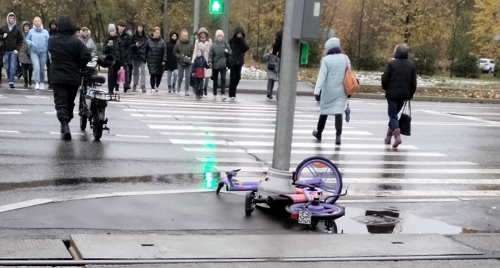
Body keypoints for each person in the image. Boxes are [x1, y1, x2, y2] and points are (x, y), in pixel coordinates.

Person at [48, 15, 92, 140]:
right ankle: (67, 119)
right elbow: (86, 55)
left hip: (57, 76)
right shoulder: (76, 42)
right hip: (73, 76)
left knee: (60, 102)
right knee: (70, 101)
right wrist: (79, 64)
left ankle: (64, 123)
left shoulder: (52, 40)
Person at [312, 38, 349, 146]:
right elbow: (349, 73)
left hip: (328, 90)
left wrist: (317, 91)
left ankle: (319, 133)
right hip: (341, 90)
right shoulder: (345, 58)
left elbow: (322, 76)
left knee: (324, 111)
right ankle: (338, 136)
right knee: (338, 112)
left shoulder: (326, 60)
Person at [381, 44, 417, 149]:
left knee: (393, 116)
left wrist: (385, 87)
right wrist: (410, 94)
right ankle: (388, 137)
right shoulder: (411, 65)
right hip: (404, 95)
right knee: (394, 115)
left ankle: (397, 137)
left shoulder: (391, 64)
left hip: (392, 94)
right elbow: (413, 82)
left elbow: (385, 79)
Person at [0, 12, 23, 89]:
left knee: (13, 66)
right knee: (7, 67)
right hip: (6, 50)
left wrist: (17, 49)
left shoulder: (17, 29)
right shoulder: (4, 28)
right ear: (8, 19)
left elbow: (20, 40)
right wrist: (3, 36)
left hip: (13, 50)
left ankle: (11, 82)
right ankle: (10, 79)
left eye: (13, 18)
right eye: (10, 18)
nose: (11, 20)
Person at [26, 17, 49, 90]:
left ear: (41, 22)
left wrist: (50, 53)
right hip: (34, 52)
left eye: (38, 21)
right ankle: (37, 82)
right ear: (33, 23)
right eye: (35, 21)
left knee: (42, 68)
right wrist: (31, 43)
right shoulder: (31, 31)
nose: (37, 22)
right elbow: (27, 39)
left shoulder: (45, 32)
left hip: (43, 52)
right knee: (36, 67)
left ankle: (42, 82)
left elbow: (49, 42)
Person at [209, 30, 231, 101]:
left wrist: (227, 51)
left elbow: (230, 52)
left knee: (223, 80)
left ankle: (223, 94)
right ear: (216, 37)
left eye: (221, 36)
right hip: (215, 65)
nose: (220, 37)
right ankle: (214, 94)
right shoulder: (213, 45)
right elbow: (211, 55)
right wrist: (210, 62)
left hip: (223, 65)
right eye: (219, 36)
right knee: (215, 80)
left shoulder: (225, 44)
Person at [228, 26, 249, 100]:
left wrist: (241, 40)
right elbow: (228, 48)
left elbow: (246, 48)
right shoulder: (231, 41)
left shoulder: (242, 41)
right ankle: (231, 94)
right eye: (238, 33)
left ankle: (233, 90)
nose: (239, 35)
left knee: (238, 77)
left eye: (241, 34)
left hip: (239, 61)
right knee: (232, 78)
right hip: (232, 61)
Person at [102, 23, 123, 95]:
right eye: (111, 31)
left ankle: (114, 87)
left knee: (116, 75)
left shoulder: (118, 39)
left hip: (117, 60)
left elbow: (121, 50)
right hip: (110, 60)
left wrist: (122, 60)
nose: (112, 32)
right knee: (111, 74)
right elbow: (104, 50)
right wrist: (107, 46)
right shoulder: (107, 40)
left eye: (113, 31)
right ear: (109, 32)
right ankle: (110, 90)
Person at [144, 27, 167, 92]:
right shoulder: (148, 41)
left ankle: (157, 85)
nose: (157, 34)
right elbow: (145, 50)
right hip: (151, 60)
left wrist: (164, 60)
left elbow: (164, 51)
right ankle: (152, 87)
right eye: (156, 33)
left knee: (159, 74)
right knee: (152, 74)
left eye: (158, 33)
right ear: (153, 33)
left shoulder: (162, 42)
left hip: (159, 61)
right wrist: (145, 58)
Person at [192, 27, 211, 97]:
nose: (203, 35)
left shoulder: (209, 41)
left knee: (207, 77)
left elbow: (211, 51)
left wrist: (210, 60)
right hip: (199, 61)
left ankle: (205, 87)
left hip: (206, 60)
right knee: (200, 77)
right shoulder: (197, 41)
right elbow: (195, 50)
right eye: (201, 34)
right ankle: (200, 90)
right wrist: (194, 59)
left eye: (204, 34)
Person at [174, 29, 194, 96]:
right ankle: (179, 86)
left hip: (188, 62)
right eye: (184, 35)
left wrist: (190, 57)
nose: (185, 37)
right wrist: (179, 56)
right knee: (180, 76)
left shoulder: (191, 43)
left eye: (186, 35)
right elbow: (175, 51)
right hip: (181, 62)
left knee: (188, 76)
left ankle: (187, 89)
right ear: (181, 36)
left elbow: (193, 51)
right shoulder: (178, 43)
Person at [130, 24, 147, 92]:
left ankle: (143, 85)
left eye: (141, 27)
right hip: (135, 56)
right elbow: (130, 46)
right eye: (139, 27)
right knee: (135, 71)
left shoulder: (145, 37)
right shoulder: (133, 36)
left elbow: (146, 46)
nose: (140, 28)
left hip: (142, 56)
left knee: (143, 70)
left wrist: (144, 53)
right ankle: (135, 83)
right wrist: (135, 45)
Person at [116, 21, 131, 92]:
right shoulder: (115, 35)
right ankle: (116, 86)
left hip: (124, 56)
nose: (122, 28)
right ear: (118, 26)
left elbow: (128, 47)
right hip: (117, 55)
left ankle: (126, 86)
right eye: (120, 26)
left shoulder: (127, 36)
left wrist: (126, 54)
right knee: (116, 71)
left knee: (126, 71)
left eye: (123, 27)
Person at [18, 21, 33, 88]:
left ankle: (30, 79)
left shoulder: (32, 34)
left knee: (30, 68)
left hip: (30, 53)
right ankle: (25, 81)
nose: (26, 28)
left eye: (27, 26)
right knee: (24, 68)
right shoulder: (21, 35)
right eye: (25, 26)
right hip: (22, 52)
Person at [46, 19, 58, 89]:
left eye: (54, 25)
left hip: (56, 52)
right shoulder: (47, 32)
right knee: (49, 68)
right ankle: (50, 82)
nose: (53, 26)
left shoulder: (58, 33)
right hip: (48, 51)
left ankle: (55, 82)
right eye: (52, 25)